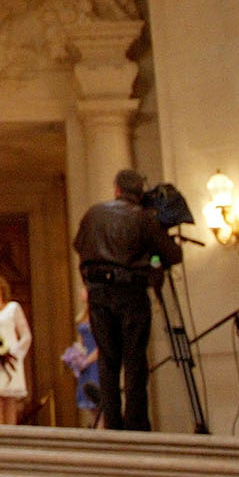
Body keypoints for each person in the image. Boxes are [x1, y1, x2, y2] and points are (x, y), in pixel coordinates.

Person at [73, 168, 182, 430]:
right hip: (131, 291)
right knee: (134, 360)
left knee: (107, 360)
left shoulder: (93, 214)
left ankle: (112, 421)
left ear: (116, 189)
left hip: (98, 291)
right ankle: (136, 423)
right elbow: (172, 254)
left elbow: (79, 245)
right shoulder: (144, 218)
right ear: (139, 192)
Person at [0, 272, 33, 425]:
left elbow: (26, 335)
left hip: (11, 358)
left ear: (1, 289)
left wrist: (14, 353)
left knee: (10, 400)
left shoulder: (13, 308)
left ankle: (11, 436)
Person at [62, 289, 103, 426]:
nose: (80, 292)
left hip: (95, 361)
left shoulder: (99, 314)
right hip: (85, 362)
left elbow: (102, 344)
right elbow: (81, 340)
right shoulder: (84, 315)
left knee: (99, 403)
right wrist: (76, 357)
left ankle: (103, 431)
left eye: (84, 289)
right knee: (91, 407)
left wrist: (87, 361)